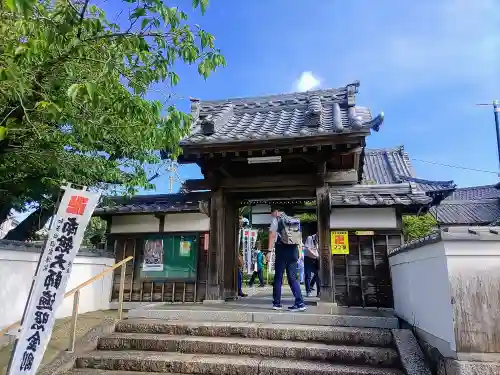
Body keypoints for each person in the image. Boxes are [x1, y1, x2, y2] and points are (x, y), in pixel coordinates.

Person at [269, 208, 306, 311]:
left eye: (271, 213)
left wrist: (269, 251)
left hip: (282, 250)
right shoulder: (294, 220)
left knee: (278, 278)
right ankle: (300, 303)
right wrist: (299, 252)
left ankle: (276, 303)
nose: (271, 215)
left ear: (276, 211)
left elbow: (272, 235)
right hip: (293, 251)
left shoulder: (276, 220)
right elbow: (299, 238)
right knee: (292, 278)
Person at [304, 233, 321, 297]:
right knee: (307, 275)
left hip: (316, 258)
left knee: (317, 275)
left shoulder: (320, 239)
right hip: (308, 258)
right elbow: (308, 249)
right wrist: (316, 255)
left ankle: (319, 292)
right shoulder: (309, 238)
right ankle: (308, 291)